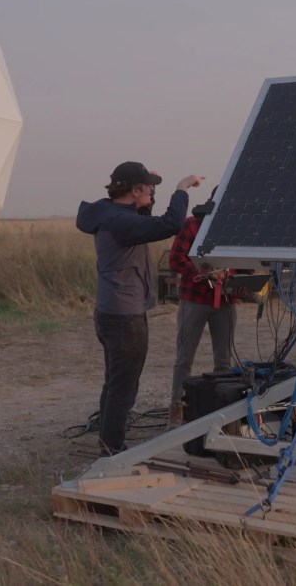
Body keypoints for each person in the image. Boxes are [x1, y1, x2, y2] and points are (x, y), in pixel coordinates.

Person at [76, 161, 203, 455]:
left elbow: (143, 216)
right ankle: (112, 451)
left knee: (115, 381)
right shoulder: (121, 222)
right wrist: (181, 189)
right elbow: (170, 224)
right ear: (134, 191)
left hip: (111, 312)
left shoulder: (111, 214)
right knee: (124, 387)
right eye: (148, 188)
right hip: (125, 317)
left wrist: (152, 185)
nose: (151, 192)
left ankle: (109, 442)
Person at [167, 189, 245, 427]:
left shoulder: (239, 227)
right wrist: (202, 273)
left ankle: (221, 413)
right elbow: (176, 258)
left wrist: (238, 279)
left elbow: (246, 263)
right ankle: (176, 413)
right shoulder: (192, 225)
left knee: (224, 361)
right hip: (195, 299)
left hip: (226, 302)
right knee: (184, 358)